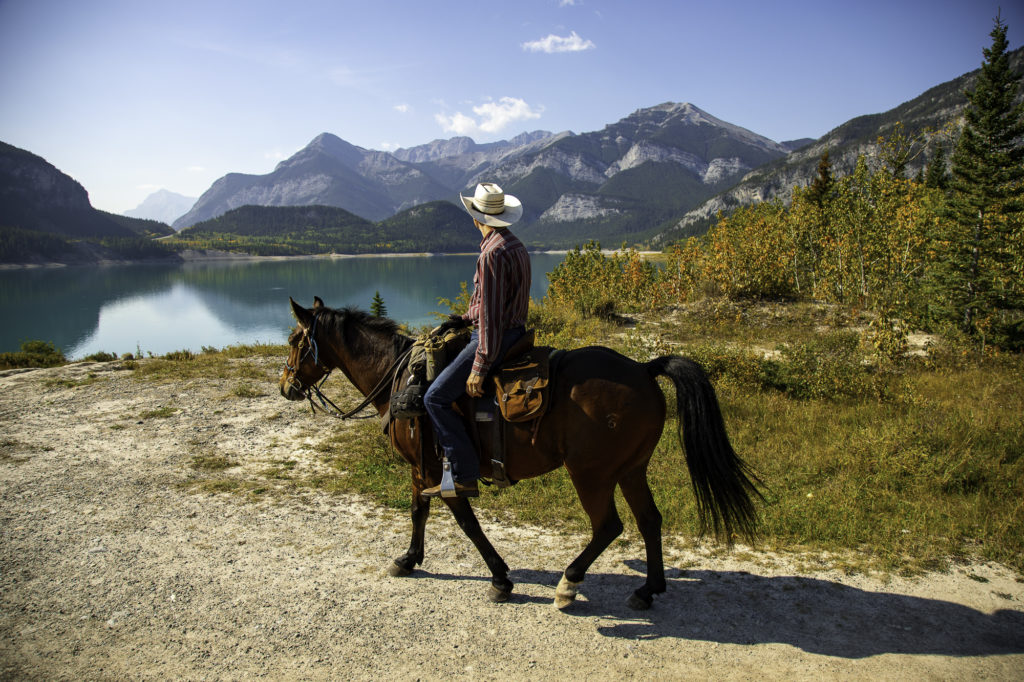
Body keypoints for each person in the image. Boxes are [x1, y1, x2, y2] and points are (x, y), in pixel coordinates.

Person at [421, 182, 531, 498]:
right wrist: (463, 317)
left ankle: (464, 474)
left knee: (435, 398)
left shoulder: (492, 254)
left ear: (475, 219)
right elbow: (493, 303)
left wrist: (480, 366)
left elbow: (493, 319)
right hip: (516, 333)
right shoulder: (516, 246)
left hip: (496, 338)